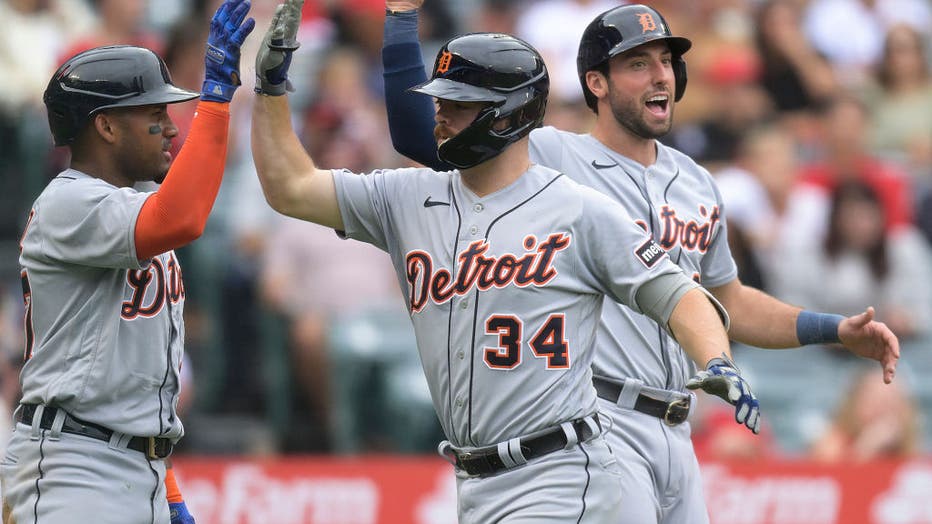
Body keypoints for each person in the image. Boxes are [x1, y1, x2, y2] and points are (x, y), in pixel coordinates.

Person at [381, 2, 901, 523]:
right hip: (599, 420)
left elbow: (728, 302)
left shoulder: (697, 181)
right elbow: (417, 136)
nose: (661, 75)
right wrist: (402, 18)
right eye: (638, 63)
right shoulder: (549, 157)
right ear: (597, 83)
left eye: (666, 61)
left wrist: (833, 329)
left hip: (679, 426)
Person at [252, 1, 760, 521]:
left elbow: (679, 295)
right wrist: (269, 89)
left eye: (461, 103)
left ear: (511, 113)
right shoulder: (405, 198)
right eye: (442, 99)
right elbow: (289, 186)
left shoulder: (577, 208)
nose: (441, 114)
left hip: (564, 472)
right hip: (478, 480)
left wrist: (716, 358)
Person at [0, 1, 254, 523]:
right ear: (107, 127)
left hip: (141, 469)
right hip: (73, 468)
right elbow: (181, 216)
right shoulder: (67, 202)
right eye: (154, 114)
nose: (170, 126)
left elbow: (134, 391)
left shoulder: (135, 207)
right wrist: (216, 101)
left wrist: (170, 486)